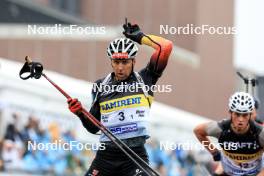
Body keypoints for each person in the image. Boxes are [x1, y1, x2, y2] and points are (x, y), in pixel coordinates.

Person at [67, 21, 173, 176]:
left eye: (125, 62)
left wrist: (140, 37)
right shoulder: (100, 86)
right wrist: (80, 113)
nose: (120, 67)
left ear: (133, 61)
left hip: (135, 156)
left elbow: (165, 47)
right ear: (111, 61)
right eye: (116, 62)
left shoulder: (145, 78)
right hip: (106, 157)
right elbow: (94, 127)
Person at [194, 92, 264, 176]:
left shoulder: (260, 133)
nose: (240, 119)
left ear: (250, 115)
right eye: (237, 114)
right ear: (230, 113)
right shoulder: (221, 128)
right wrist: (214, 151)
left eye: (245, 115)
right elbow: (198, 131)